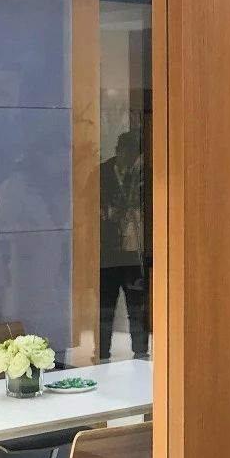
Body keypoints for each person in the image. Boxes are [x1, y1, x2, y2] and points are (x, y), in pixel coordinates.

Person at [100, 129, 149, 361]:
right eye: (128, 154)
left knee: (137, 307)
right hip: (106, 252)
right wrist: (108, 214)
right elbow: (87, 206)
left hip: (133, 252)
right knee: (105, 307)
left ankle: (140, 351)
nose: (132, 160)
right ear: (120, 151)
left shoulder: (142, 176)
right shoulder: (102, 173)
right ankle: (101, 353)